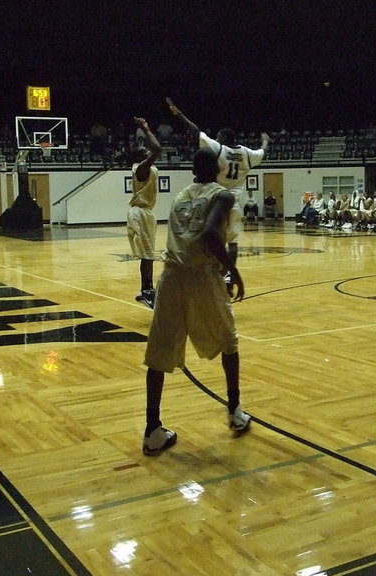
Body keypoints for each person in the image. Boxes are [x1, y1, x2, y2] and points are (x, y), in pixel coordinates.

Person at [142, 148, 250, 456]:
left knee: (159, 353)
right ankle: (234, 411)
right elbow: (209, 236)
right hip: (202, 276)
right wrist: (234, 273)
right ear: (217, 168)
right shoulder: (224, 196)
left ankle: (152, 430)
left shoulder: (180, 196)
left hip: (171, 277)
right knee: (229, 341)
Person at [166, 98, 269, 287]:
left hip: (216, 197)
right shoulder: (247, 154)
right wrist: (264, 141)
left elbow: (195, 130)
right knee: (234, 243)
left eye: (219, 136)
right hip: (235, 200)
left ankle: (210, 274)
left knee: (209, 236)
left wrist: (178, 114)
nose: (217, 138)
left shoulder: (218, 148)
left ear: (223, 138)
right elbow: (262, 151)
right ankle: (228, 277)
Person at [127, 117, 162, 309]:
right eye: (144, 151)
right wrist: (146, 128)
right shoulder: (140, 169)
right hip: (139, 213)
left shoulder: (146, 168)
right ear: (139, 157)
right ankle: (146, 290)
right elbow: (157, 148)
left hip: (145, 212)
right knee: (148, 254)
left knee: (148, 254)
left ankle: (146, 289)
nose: (148, 151)